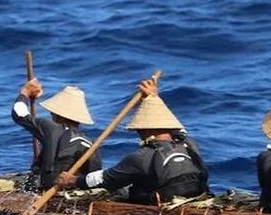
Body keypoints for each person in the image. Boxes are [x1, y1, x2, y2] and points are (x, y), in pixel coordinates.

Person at [56, 77, 210, 204]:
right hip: (196, 197)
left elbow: (108, 178)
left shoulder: (141, 157)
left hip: (160, 202)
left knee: (120, 190)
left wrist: (74, 181)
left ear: (145, 129)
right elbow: (179, 131)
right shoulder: (189, 144)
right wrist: (153, 98)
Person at [12, 79, 101, 191]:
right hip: (77, 189)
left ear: (57, 114)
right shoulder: (89, 141)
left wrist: (24, 93)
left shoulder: (52, 128)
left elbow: (19, 114)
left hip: (49, 188)